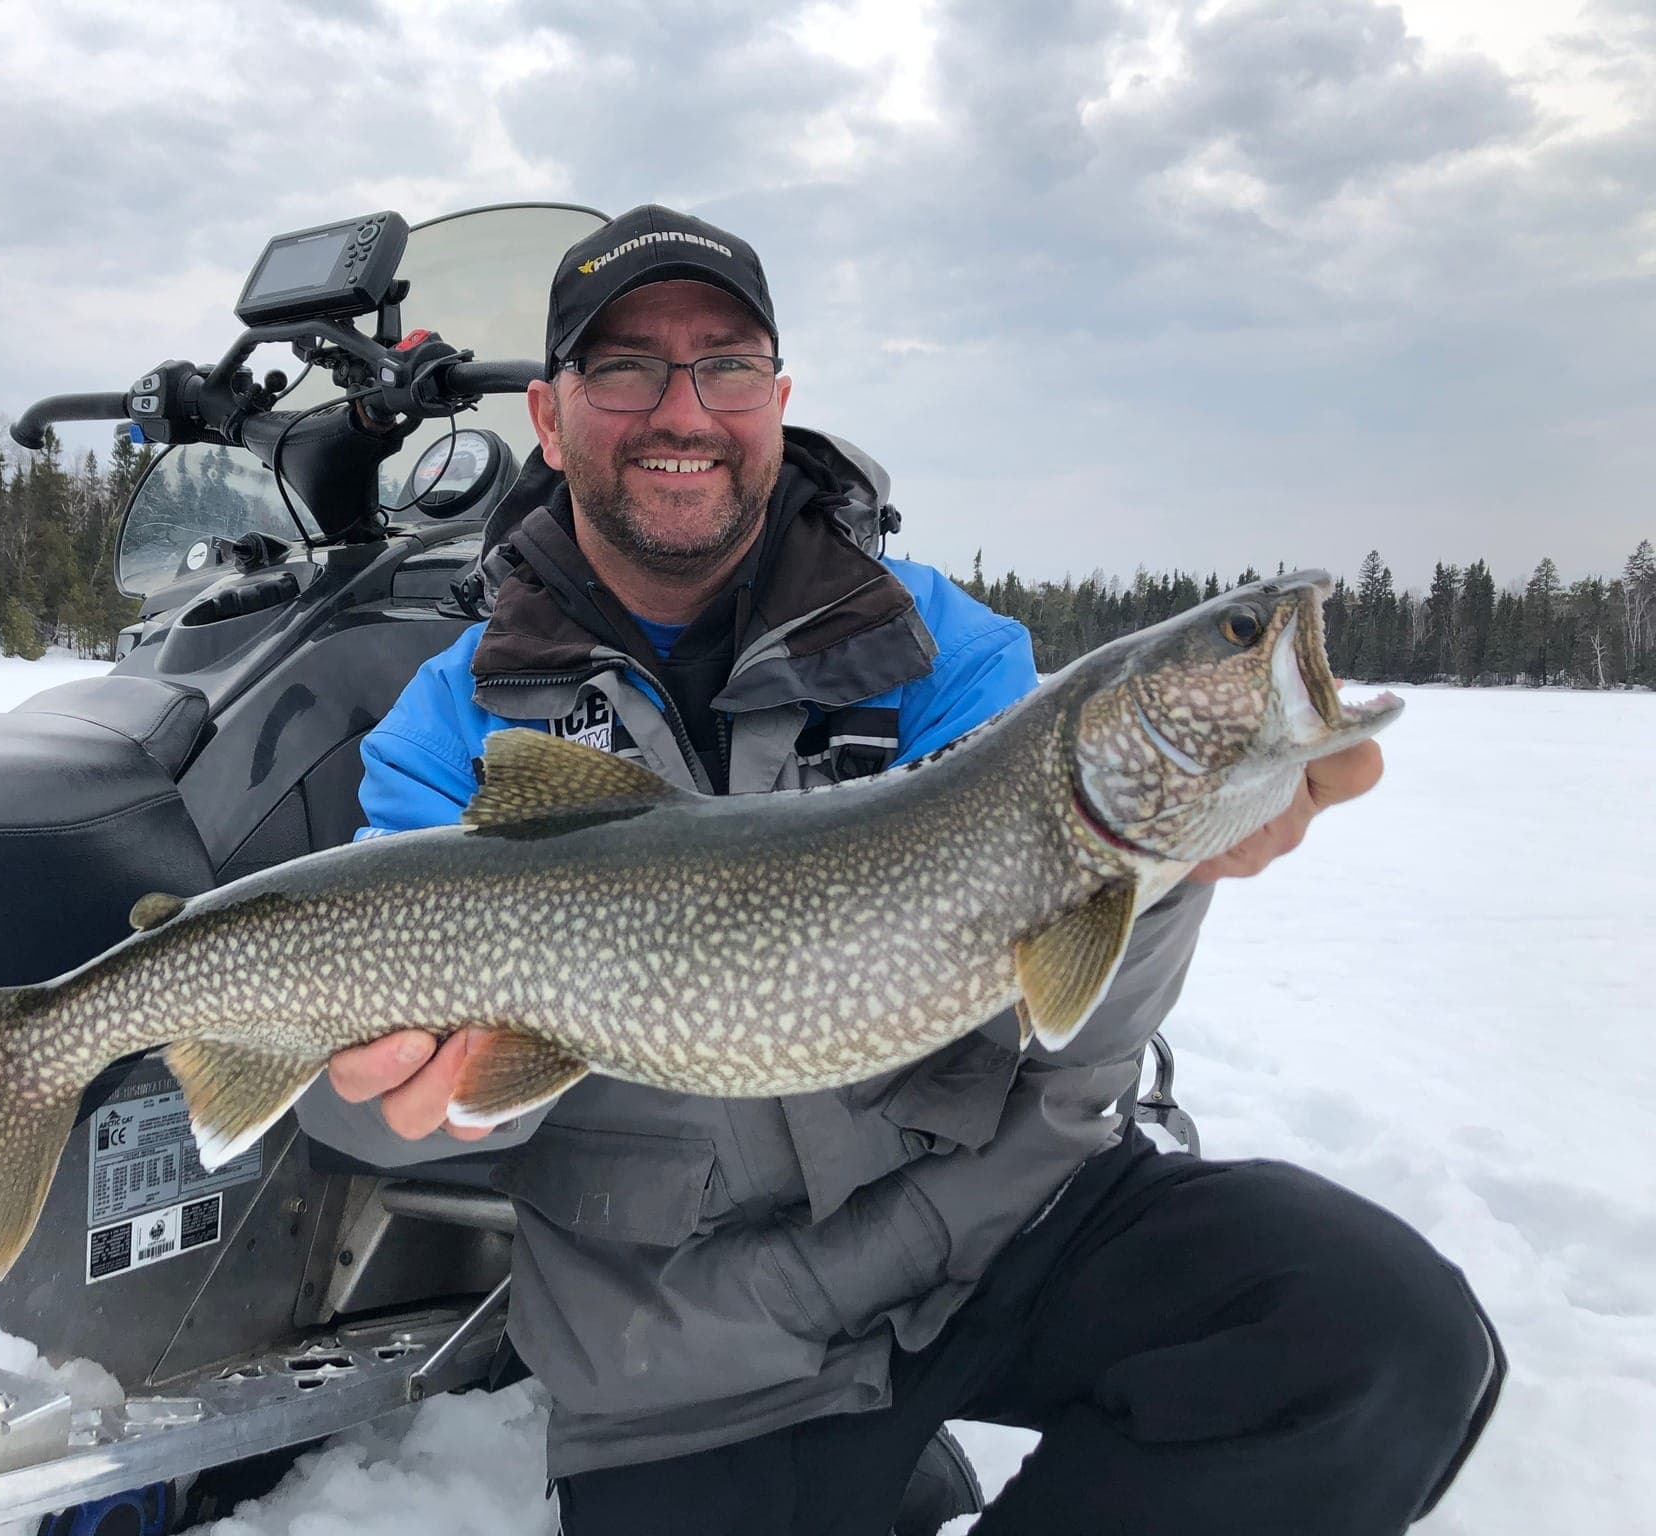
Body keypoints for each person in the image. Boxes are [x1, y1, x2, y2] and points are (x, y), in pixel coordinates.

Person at [290, 206, 1502, 1534]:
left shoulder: (941, 649)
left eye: (728, 366)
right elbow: (358, 1113)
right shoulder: (450, 723)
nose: (681, 409)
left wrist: (1172, 866)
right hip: (685, 1346)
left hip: (996, 1231)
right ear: (551, 410)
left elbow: (1074, 1017)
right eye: (626, 367)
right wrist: (387, 1088)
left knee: (1369, 1335)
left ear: (779, 397)